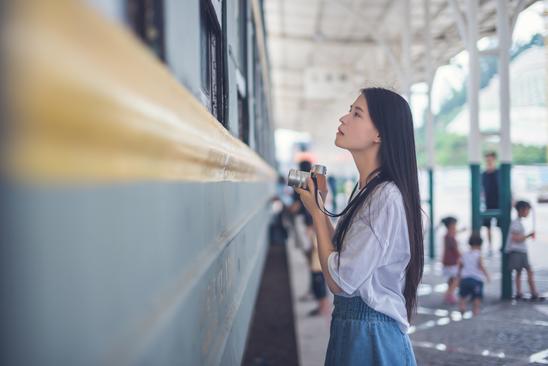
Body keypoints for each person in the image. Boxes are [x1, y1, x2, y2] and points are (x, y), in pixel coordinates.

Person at [294, 87, 422, 365]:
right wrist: (320, 205)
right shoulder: (369, 191)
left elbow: (340, 280)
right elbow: (339, 261)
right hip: (356, 330)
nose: (343, 119)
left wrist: (317, 213)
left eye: (356, 113)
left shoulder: (385, 197)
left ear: (379, 134)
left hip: (372, 337)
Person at [506, 200, 544, 301]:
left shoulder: (517, 222)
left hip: (520, 251)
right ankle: (531, 292)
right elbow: (515, 238)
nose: (528, 213)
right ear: (522, 210)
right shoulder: (516, 223)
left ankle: (521, 292)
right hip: (517, 251)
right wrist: (528, 235)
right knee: (526, 271)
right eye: (527, 210)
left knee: (520, 272)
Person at [458, 234, 490, 316]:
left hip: (465, 279)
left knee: (463, 295)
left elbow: (460, 265)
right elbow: (481, 266)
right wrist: (487, 275)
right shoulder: (478, 254)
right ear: (480, 244)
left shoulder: (465, 254)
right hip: (476, 279)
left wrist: (459, 275)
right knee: (477, 297)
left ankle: (462, 307)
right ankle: (475, 310)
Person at [482, 151, 500, 256]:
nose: (488, 162)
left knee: (502, 226)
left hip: (499, 202)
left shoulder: (499, 172)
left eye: (490, 159)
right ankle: (490, 246)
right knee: (488, 226)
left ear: (494, 160)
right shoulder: (483, 174)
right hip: (487, 203)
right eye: (487, 160)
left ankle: (502, 246)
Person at [441, 216, 461, 304]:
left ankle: (450, 295)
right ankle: (449, 293)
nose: (456, 229)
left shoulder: (446, 236)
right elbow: (456, 250)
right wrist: (462, 257)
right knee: (457, 279)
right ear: (450, 227)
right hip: (451, 262)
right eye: (455, 227)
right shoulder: (451, 238)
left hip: (447, 261)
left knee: (451, 279)